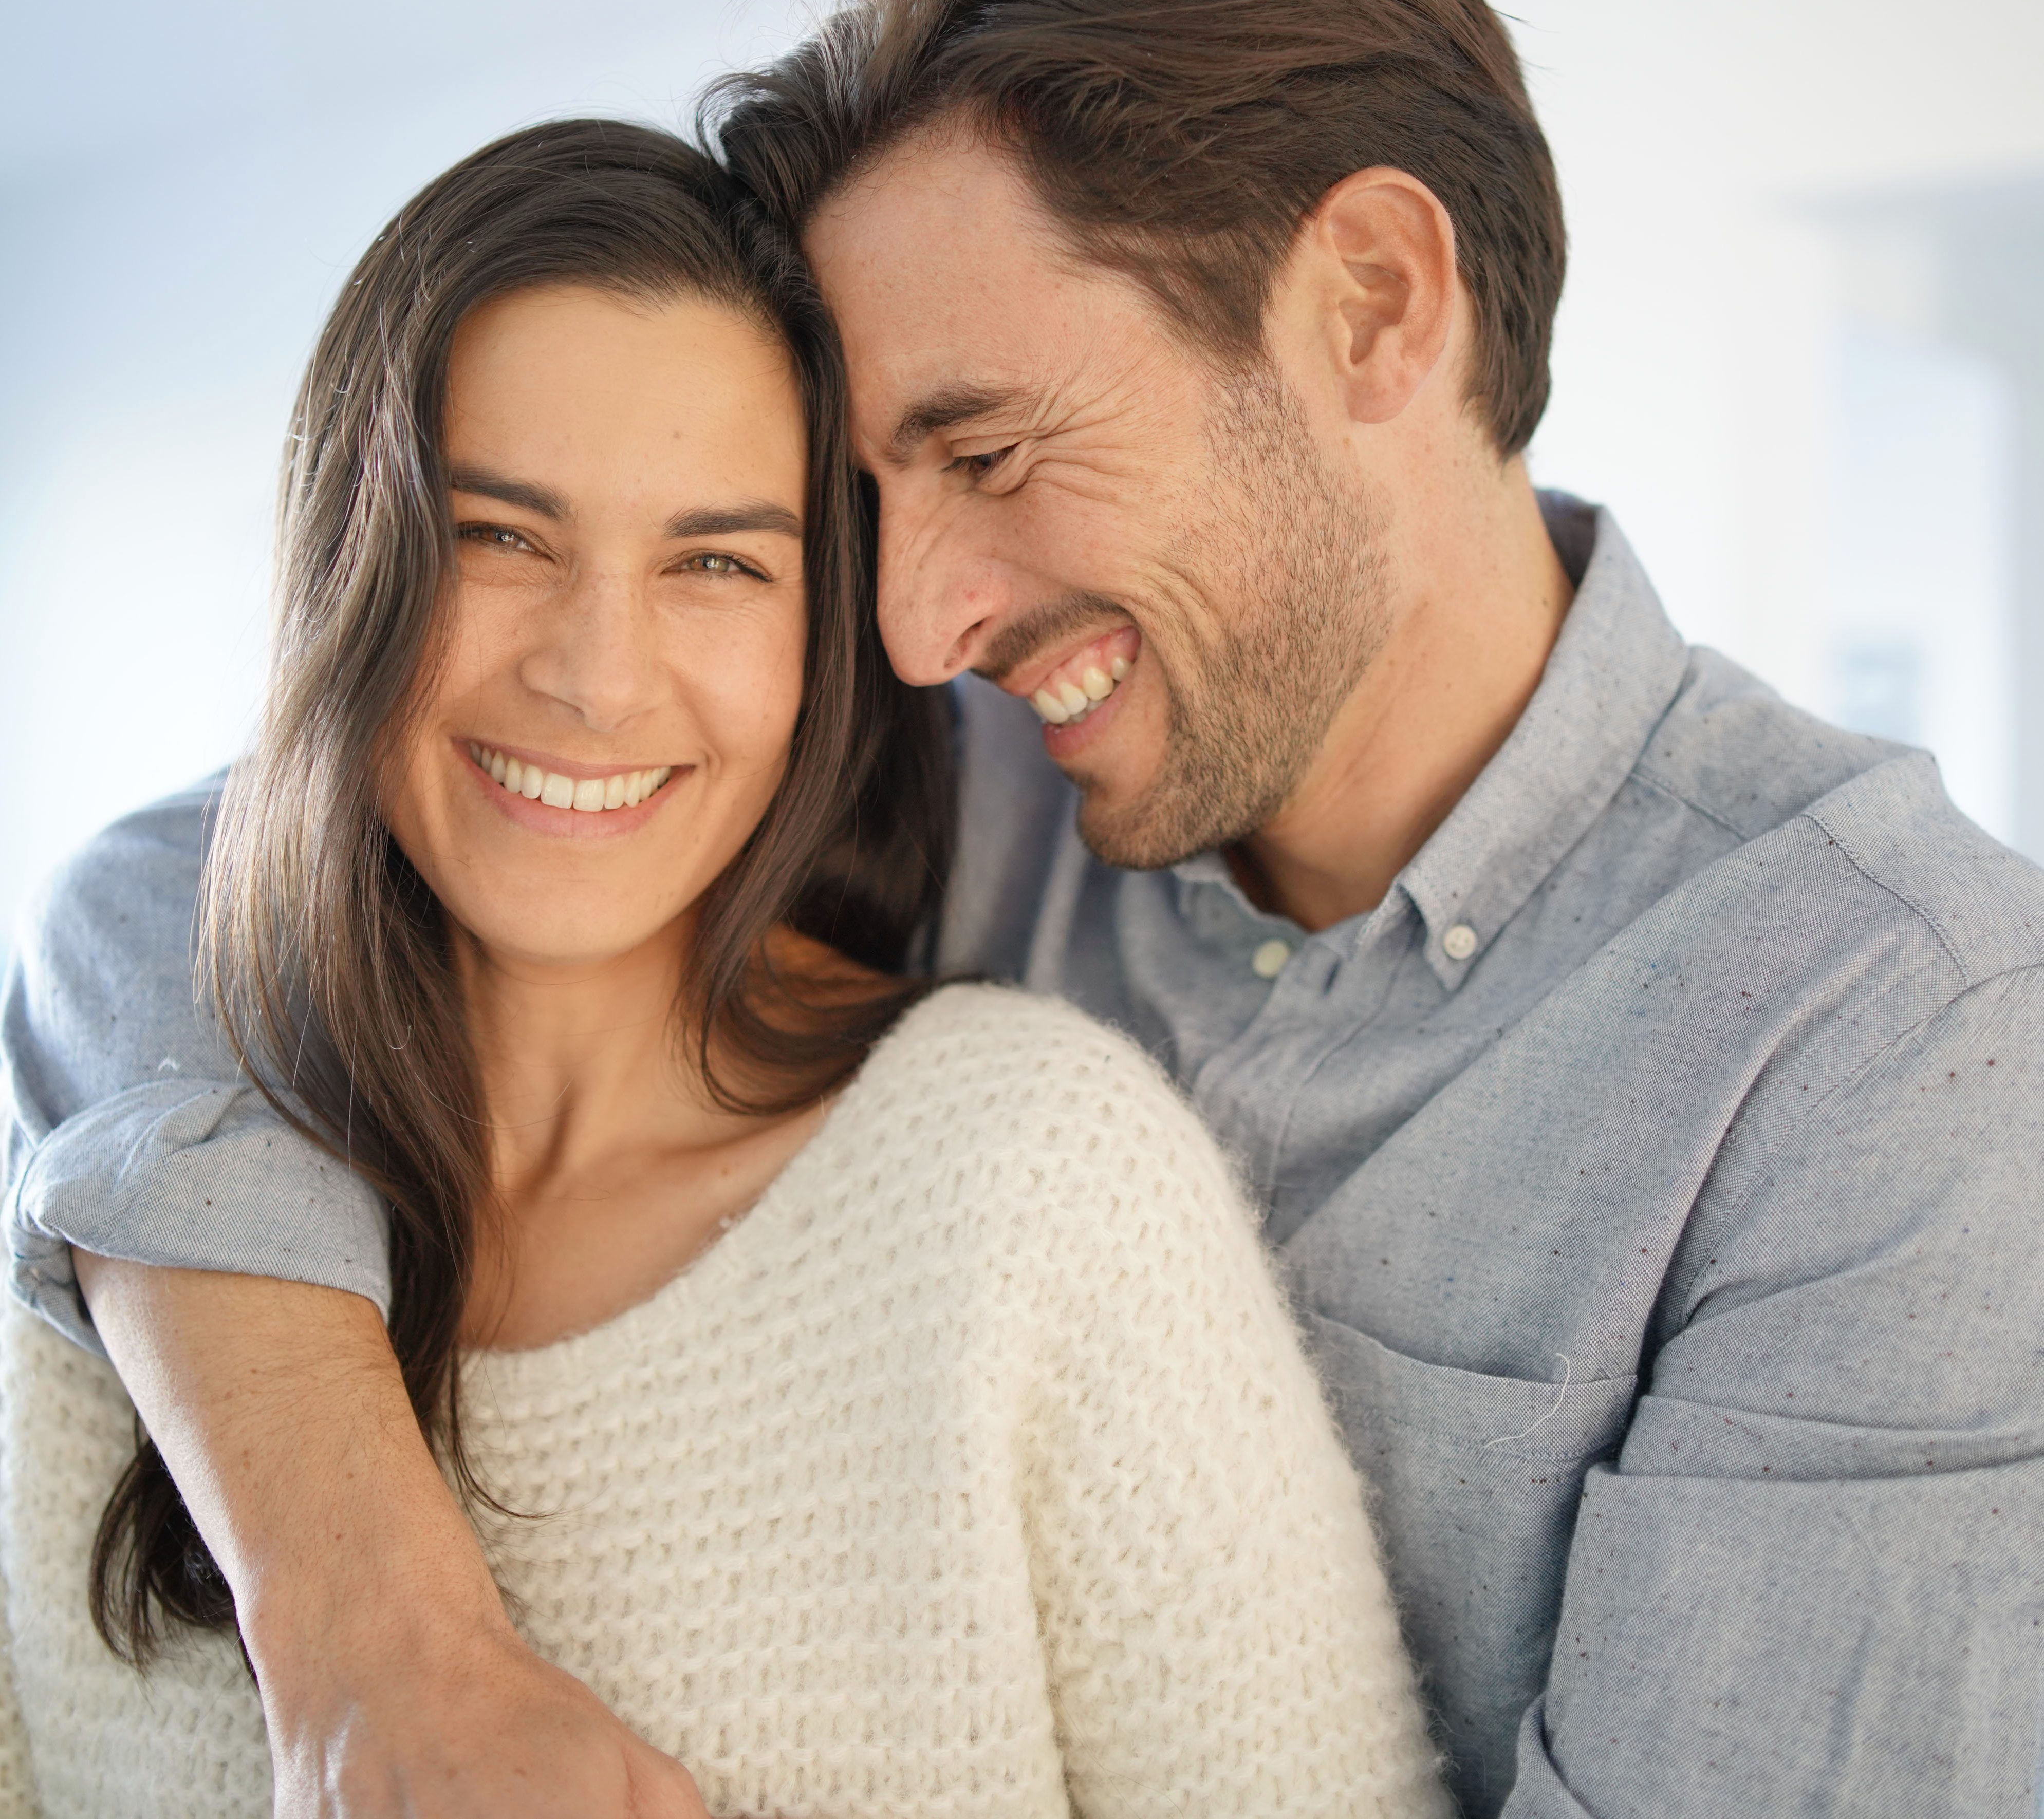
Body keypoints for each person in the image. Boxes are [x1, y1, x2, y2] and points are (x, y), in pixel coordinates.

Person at [7, 0, 2043, 1819]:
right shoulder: (970, 752)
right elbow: (188, 897)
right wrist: (377, 1630)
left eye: (984, 450)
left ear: (1370, 301)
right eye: (866, 502)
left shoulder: (1897, 1043)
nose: (914, 623)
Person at [0, 119, 1446, 1818]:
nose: (598, 678)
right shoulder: (118, 1272)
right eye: (498, 535)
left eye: (716, 563)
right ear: (345, 571)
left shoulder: (1039, 1188)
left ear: (826, 633)